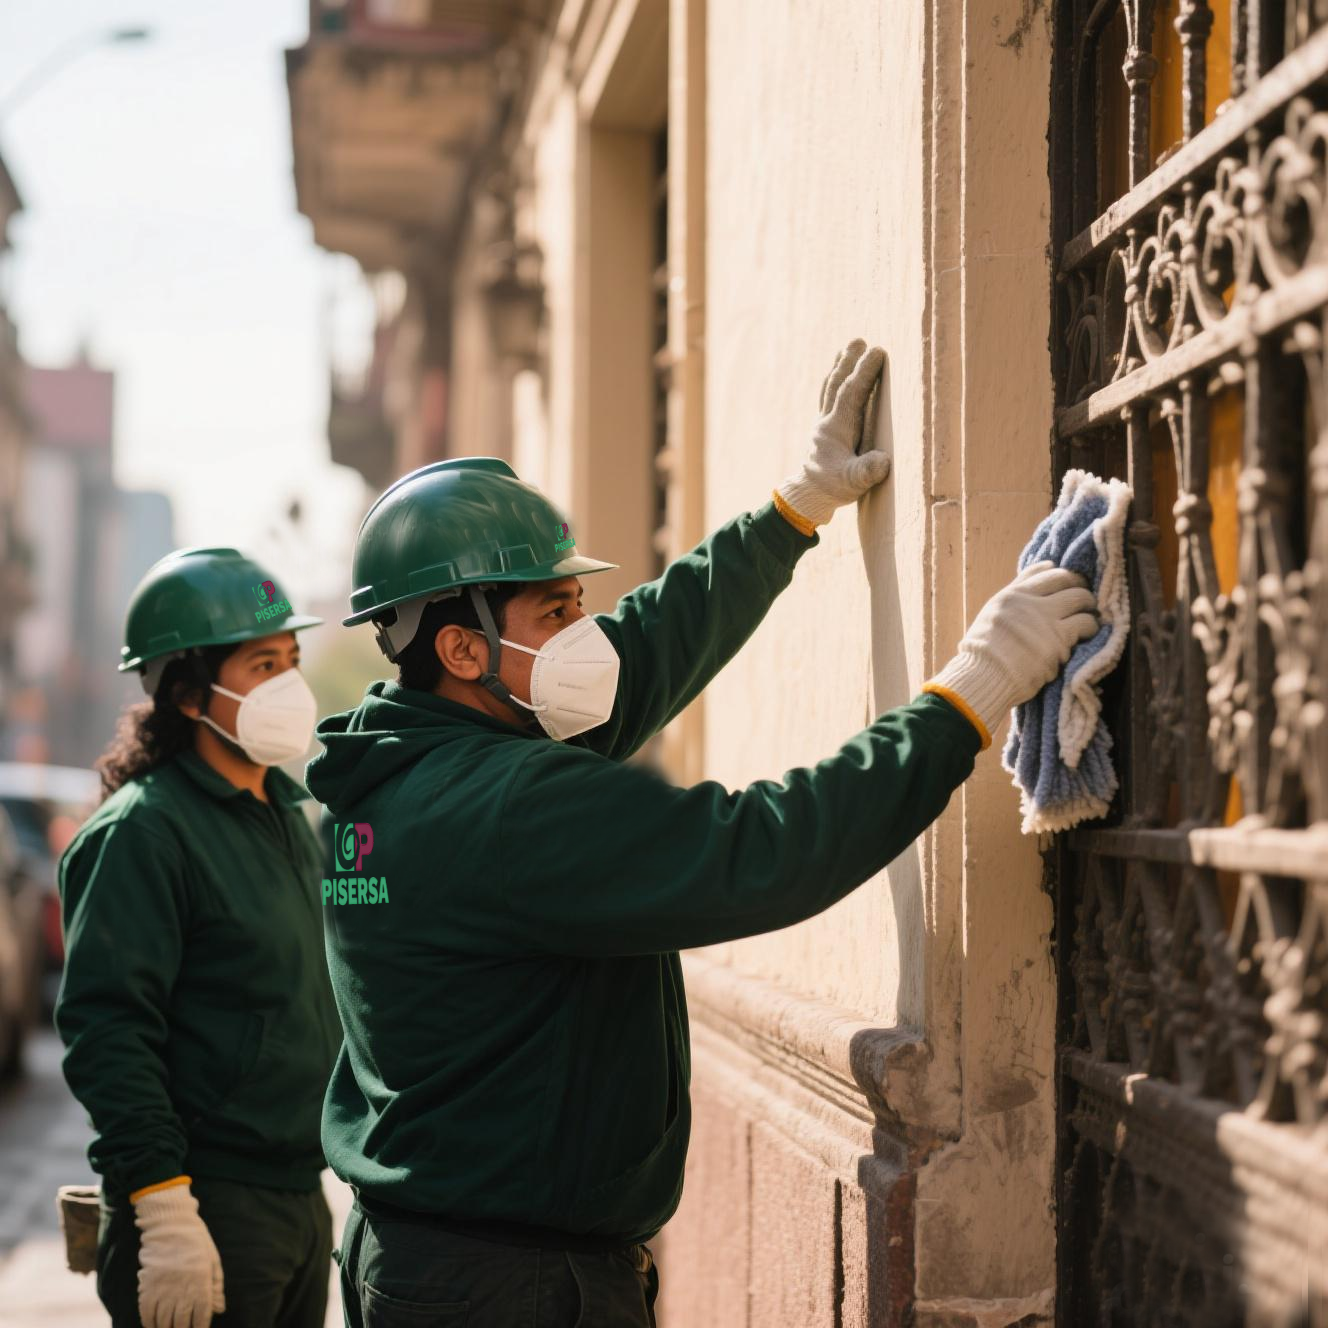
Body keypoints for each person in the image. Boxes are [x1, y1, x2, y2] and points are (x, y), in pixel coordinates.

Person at [306, 340, 1097, 1327]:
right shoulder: (505, 803)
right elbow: (755, 849)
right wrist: (963, 700)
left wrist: (787, 515)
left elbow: (640, 648)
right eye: (555, 609)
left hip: (418, 1252)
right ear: (464, 645)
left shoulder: (390, 773)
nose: (585, 631)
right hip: (509, 1289)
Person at [55, 548, 343, 1328]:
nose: (289, 683)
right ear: (187, 694)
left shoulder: (286, 810)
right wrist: (162, 1209)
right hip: (206, 1207)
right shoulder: (144, 832)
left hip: (297, 1198)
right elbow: (108, 1031)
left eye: (291, 659)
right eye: (261, 663)